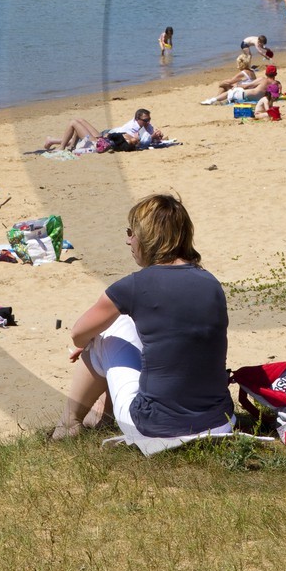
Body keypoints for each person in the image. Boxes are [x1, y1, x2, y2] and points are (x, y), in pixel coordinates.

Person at [53, 194, 234, 453]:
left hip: (156, 426)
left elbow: (77, 334)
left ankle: (68, 424)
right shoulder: (211, 282)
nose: (128, 239)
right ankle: (101, 414)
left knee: (107, 332)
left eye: (131, 232)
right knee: (129, 325)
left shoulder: (134, 286)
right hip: (220, 423)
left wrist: (89, 345)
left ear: (148, 237)